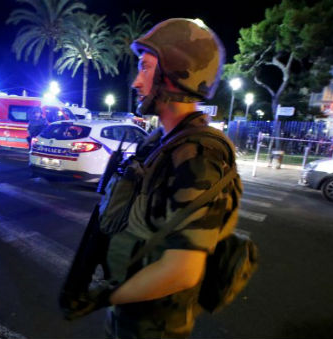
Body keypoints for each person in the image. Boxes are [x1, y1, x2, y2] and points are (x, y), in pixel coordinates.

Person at [76, 19, 243, 338]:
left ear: (177, 73)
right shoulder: (159, 142)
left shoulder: (198, 155)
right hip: (130, 311)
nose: (136, 82)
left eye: (145, 68)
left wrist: (99, 298)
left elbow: (182, 270)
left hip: (155, 325)